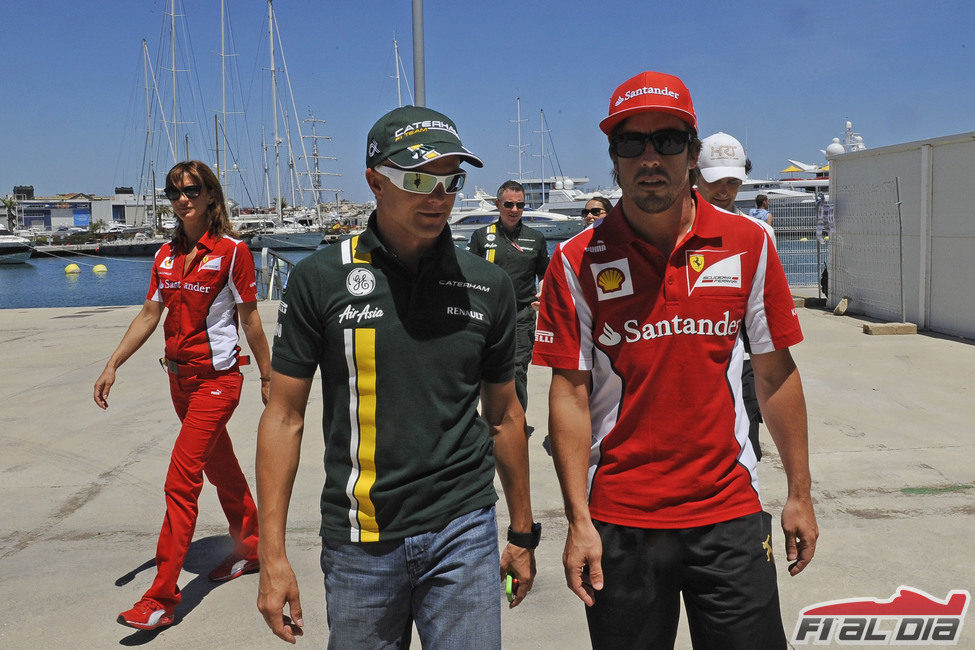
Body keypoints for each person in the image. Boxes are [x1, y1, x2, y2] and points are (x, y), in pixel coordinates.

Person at [532, 71, 818, 648]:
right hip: (619, 518)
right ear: (613, 158)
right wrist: (577, 521)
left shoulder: (749, 243)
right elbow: (568, 393)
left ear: (692, 153)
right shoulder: (575, 260)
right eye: (630, 142)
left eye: (667, 140)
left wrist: (800, 495)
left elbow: (774, 373)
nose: (649, 157)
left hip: (729, 510)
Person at [256, 105, 538, 648]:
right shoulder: (321, 279)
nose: (438, 195)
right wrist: (272, 556)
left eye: (450, 180)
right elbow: (284, 416)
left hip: (464, 530)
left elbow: (505, 416)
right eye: (417, 178)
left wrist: (522, 533)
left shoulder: (488, 285)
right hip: (361, 539)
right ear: (374, 181)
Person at [94, 160, 271, 631]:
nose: (183, 199)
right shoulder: (164, 257)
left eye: (192, 190)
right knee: (220, 466)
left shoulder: (232, 252)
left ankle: (161, 598)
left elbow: (250, 319)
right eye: (173, 193)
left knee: (181, 480)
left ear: (211, 196)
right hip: (179, 381)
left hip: (217, 381)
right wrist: (113, 363)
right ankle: (250, 547)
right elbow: (150, 314)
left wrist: (268, 376)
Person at [695, 132, 775, 461]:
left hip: (743, 364)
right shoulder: (672, 234)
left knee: (746, 448)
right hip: (694, 362)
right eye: (715, 181)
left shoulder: (761, 235)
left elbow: (766, 309)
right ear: (693, 175)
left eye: (733, 180)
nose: (725, 190)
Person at [467, 180, 549, 413]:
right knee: (483, 368)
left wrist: (543, 292)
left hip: (521, 314)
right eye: (509, 204)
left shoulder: (536, 238)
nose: (514, 210)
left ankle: (516, 424)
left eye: (520, 205)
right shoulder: (482, 236)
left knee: (516, 369)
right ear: (498, 204)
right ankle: (487, 423)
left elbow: (544, 274)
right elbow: (471, 275)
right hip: (487, 314)